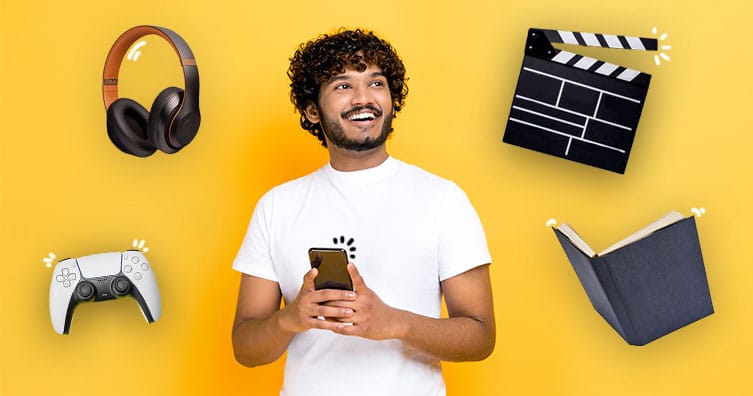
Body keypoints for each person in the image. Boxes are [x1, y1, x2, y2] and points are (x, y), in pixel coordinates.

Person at [231, 28, 495, 396]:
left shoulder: (444, 200)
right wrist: (290, 319)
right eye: (342, 86)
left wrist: (394, 323)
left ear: (391, 98)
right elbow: (245, 346)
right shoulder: (277, 206)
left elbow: (480, 337)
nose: (363, 98)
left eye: (375, 83)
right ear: (312, 111)